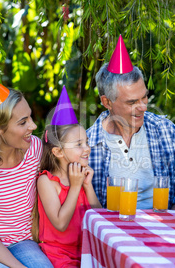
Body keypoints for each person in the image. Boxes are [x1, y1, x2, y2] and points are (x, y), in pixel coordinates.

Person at [87, 35, 175, 210]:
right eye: (132, 102)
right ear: (107, 102)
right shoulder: (87, 144)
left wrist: (171, 222)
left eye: (144, 98)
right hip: (113, 232)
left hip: (163, 228)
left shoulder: (166, 130)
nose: (143, 107)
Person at [0, 70, 53, 267]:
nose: (33, 125)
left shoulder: (35, 150)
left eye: (30, 117)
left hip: (23, 242)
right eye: (23, 122)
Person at [34, 87, 101, 267]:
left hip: (86, 251)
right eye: (79, 144)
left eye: (86, 142)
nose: (87, 148)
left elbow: (99, 218)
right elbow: (61, 223)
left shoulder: (80, 177)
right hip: (59, 254)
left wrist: (88, 186)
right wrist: (76, 186)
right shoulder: (47, 181)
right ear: (58, 151)